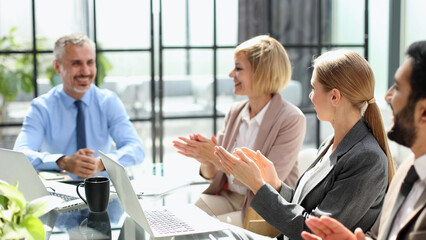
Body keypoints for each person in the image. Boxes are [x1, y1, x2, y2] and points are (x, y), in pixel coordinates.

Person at [215, 49, 396, 240]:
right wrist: (275, 185)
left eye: (313, 88)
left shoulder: (367, 159)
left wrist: (258, 187)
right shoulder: (332, 143)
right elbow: (304, 207)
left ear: (334, 96)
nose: (311, 96)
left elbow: (313, 231)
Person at [172, 35, 306, 227]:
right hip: (230, 196)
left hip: (263, 207)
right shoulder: (235, 112)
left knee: (205, 228)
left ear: (262, 73)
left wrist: (216, 156)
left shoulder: (291, 119)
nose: (231, 74)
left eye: (239, 69)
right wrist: (206, 160)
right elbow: (214, 174)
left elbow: (266, 182)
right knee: (182, 221)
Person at [301, 41, 426, 240]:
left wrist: (263, 189)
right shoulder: (408, 170)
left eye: (399, 88)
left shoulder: (369, 157)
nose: (387, 96)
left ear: (424, 111)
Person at [13, 33, 144, 179]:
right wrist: (63, 161)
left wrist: (101, 163)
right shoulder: (41, 107)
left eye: (90, 62)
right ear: (57, 66)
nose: (86, 72)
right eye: (76, 63)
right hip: (58, 191)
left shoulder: (108, 101)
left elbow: (136, 148)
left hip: (103, 190)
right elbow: (21, 153)